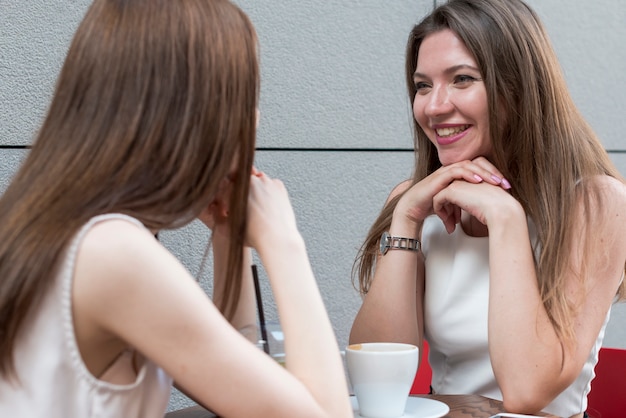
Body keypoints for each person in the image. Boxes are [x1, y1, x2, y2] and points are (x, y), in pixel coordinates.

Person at [0, 1, 353, 417]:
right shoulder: (112, 252)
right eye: (242, 101)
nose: (252, 120)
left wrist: (229, 233)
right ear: (197, 115)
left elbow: (237, 384)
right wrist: (284, 243)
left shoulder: (64, 227)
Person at [349, 1, 626, 417]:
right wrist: (404, 216)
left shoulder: (597, 203)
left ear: (520, 86)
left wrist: (506, 219)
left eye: (462, 79)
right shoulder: (418, 205)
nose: (434, 106)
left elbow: (526, 393)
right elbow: (376, 382)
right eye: (422, 86)